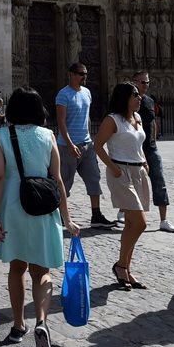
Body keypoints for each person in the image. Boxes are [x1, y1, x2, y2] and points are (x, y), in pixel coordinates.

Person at [0, 86, 78, 347]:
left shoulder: (0, 136)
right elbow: (58, 179)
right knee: (43, 271)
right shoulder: (48, 135)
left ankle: (18, 325)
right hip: (42, 207)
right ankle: (40, 321)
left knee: (17, 267)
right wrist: (67, 217)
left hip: (13, 208)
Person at [95, 82, 152, 289]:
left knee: (131, 223)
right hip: (121, 172)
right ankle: (121, 265)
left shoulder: (137, 118)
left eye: (139, 94)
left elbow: (139, 144)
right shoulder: (113, 120)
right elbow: (97, 146)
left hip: (138, 171)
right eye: (134, 95)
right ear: (124, 98)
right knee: (140, 222)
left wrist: (144, 161)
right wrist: (113, 167)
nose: (139, 97)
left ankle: (124, 268)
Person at [55, 63, 117, 228]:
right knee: (65, 182)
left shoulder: (87, 93)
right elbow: (61, 121)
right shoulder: (63, 94)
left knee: (94, 178)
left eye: (86, 74)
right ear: (71, 74)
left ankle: (96, 215)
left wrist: (90, 137)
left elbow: (86, 117)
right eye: (81, 73)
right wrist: (69, 143)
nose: (84, 77)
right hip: (67, 146)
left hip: (86, 144)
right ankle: (59, 214)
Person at [134, 71, 174, 233]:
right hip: (134, 149)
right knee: (132, 183)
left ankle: (164, 220)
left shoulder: (150, 101)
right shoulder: (128, 102)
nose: (145, 85)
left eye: (147, 82)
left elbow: (153, 122)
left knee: (159, 182)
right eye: (142, 82)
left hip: (151, 148)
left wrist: (154, 139)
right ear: (134, 82)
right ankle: (125, 212)